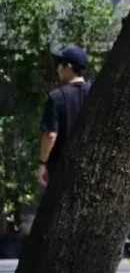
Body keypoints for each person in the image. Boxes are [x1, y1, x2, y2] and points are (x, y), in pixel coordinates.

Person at [38, 45, 93, 187]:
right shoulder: (95, 94)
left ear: (68, 67)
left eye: (59, 64)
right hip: (89, 167)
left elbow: (50, 135)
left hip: (60, 169)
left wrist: (43, 163)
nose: (58, 69)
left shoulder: (57, 97)